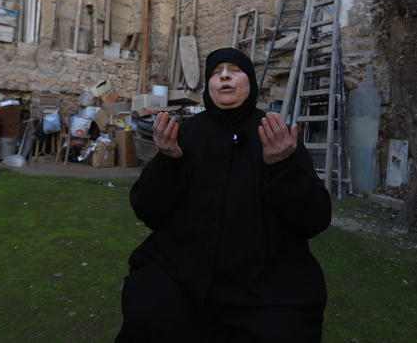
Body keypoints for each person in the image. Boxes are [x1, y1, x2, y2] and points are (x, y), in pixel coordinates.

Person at [116, 48, 331, 342]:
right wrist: (168, 161)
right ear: (209, 87)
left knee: (284, 331)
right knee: (150, 309)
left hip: (262, 278)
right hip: (181, 269)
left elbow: (316, 218)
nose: (225, 76)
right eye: (217, 73)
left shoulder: (274, 133)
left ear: (250, 83)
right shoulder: (187, 133)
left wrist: (283, 168)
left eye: (234, 70)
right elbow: (146, 209)